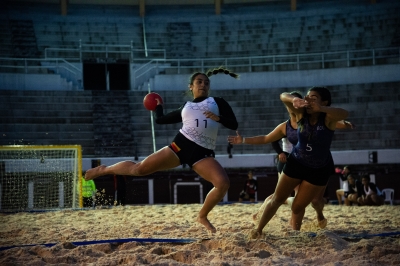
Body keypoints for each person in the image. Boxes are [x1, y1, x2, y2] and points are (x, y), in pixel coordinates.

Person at [85, 67, 239, 233]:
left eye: (206, 82)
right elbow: (160, 120)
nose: (203, 85)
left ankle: (202, 216)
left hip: (202, 155)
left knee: (223, 184)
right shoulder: (185, 107)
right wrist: (158, 106)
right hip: (179, 147)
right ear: (191, 86)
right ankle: (104, 170)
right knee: (139, 169)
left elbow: (234, 124)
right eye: (199, 82)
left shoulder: (218, 102)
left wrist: (219, 118)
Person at [228, 86, 348, 236]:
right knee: (277, 199)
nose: (309, 100)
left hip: (318, 168)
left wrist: (324, 109)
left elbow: (344, 114)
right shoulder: (299, 115)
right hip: (296, 162)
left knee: (304, 204)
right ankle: (258, 230)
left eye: (314, 98)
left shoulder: (328, 118)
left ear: (324, 102)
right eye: (307, 97)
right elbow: (283, 96)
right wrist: (294, 99)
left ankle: (304, 224)